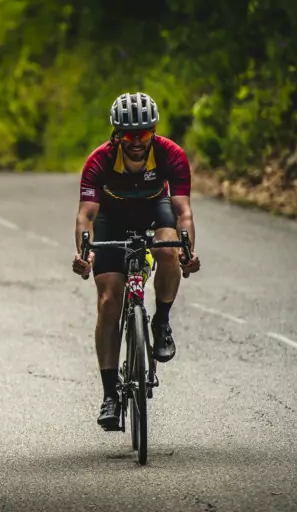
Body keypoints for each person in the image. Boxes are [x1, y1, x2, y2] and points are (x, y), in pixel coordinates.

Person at [71, 92, 201, 430]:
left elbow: (183, 212)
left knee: (167, 250)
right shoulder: (99, 160)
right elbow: (86, 216)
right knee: (109, 300)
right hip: (111, 218)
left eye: (144, 133)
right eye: (129, 135)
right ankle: (110, 395)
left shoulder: (171, 154)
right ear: (117, 134)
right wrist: (85, 254)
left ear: (153, 131)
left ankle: (161, 322)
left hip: (154, 209)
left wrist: (187, 251)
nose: (137, 141)